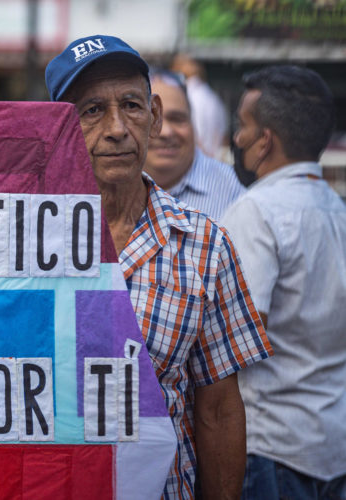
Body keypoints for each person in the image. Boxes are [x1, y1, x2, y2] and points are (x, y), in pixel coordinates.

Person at [45, 35, 272, 500]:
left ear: (154, 115)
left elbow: (219, 409)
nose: (115, 128)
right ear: (57, 129)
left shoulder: (204, 245)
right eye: (90, 111)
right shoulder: (19, 240)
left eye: (130, 105)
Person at [221, 66, 346, 499]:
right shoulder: (338, 210)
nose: (237, 138)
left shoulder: (256, 211)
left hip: (272, 448)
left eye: (243, 125)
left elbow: (238, 334)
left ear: (265, 140)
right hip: (332, 446)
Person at [143, 69, 245, 220]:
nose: (166, 132)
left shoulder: (236, 192)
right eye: (152, 120)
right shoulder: (108, 187)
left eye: (177, 119)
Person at [171, 54, 228, 161]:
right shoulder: (213, 98)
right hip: (215, 160)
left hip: (197, 160)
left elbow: (195, 136)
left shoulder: (186, 96)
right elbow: (224, 136)